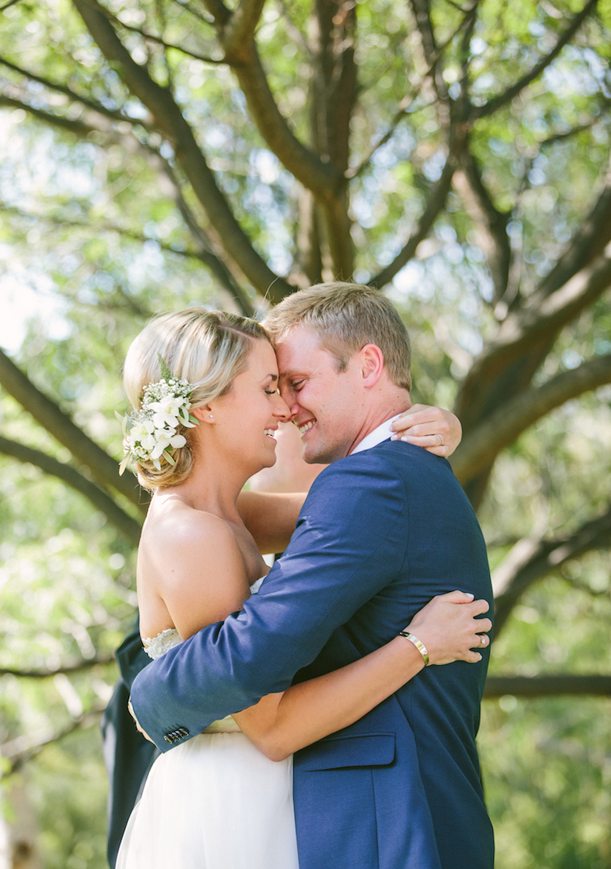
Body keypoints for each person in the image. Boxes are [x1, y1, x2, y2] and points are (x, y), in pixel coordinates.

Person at [129, 285, 495, 869]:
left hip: (329, 802)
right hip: (239, 802)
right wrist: (418, 646)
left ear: (368, 365)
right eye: (271, 388)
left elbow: (366, 504)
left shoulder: (251, 511)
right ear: (205, 407)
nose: (285, 409)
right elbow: (266, 716)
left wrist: (427, 427)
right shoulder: (194, 530)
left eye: (292, 384)